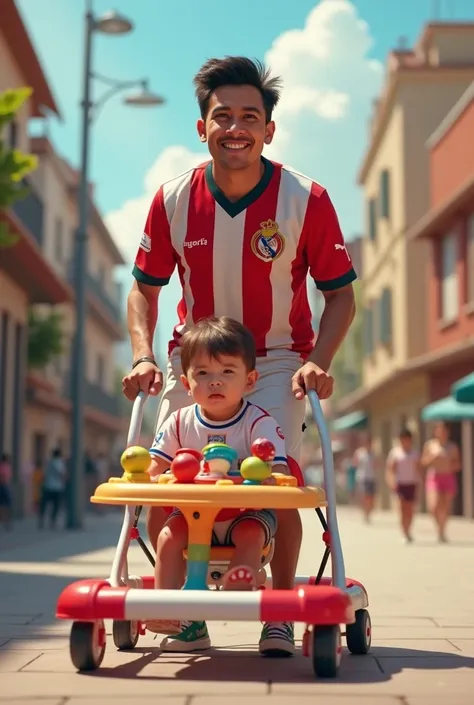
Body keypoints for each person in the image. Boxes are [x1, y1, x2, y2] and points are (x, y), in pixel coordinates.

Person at [122, 56, 357, 655]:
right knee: (168, 483)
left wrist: (318, 361)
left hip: (277, 358)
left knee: (277, 484)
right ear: (201, 127)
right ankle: (185, 610)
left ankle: (277, 615)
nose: (236, 127)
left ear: (269, 129)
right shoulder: (173, 199)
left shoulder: (307, 198)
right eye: (221, 116)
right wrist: (144, 355)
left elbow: (340, 297)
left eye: (249, 116)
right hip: (194, 363)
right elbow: (144, 290)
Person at [146, 316, 290, 652]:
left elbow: (278, 470)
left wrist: (268, 475)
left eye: (227, 372)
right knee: (169, 535)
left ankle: (240, 582)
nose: (215, 382)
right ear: (186, 382)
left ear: (250, 380)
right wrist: (149, 474)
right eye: (203, 374)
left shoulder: (259, 423)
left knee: (250, 534)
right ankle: (168, 608)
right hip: (194, 517)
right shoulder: (179, 422)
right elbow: (156, 466)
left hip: (246, 512)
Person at [421, 421, 461, 543]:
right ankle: (439, 526)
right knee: (433, 506)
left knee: (446, 506)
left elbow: (458, 464)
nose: (441, 432)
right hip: (434, 477)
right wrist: (433, 458)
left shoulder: (452, 447)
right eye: (439, 430)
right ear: (435, 431)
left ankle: (442, 531)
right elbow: (423, 462)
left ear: (447, 432)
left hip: (448, 476)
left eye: (444, 430)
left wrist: (450, 463)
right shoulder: (430, 445)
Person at [385, 428, 421, 543]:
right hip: (400, 483)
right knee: (402, 508)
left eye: (407, 439)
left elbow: (418, 469)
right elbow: (390, 469)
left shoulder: (415, 453)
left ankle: (408, 530)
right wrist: (391, 481)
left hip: (411, 483)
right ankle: (404, 532)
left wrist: (420, 482)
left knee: (410, 509)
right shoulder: (395, 453)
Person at [38, 447, 66, 529]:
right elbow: (62, 474)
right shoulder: (59, 463)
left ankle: (41, 520)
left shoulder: (48, 463)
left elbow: (43, 474)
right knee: (55, 506)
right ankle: (52, 522)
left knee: (44, 505)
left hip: (47, 486)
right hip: (57, 487)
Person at [353, 434, 377, 523]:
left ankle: (368, 512)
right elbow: (355, 463)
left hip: (371, 477)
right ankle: (365, 513)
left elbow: (377, 464)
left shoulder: (373, 453)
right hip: (362, 477)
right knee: (364, 496)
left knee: (371, 497)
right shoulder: (359, 453)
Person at [0, 453, 12, 530]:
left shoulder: (6, 466)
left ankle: (6, 521)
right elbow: (2, 476)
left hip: (5, 486)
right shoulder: (3, 466)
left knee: (5, 504)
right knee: (5, 504)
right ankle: (5, 521)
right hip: (3, 486)